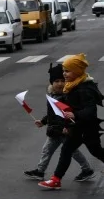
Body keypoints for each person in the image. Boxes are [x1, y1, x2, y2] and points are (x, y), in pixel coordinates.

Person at [39, 54, 104, 190]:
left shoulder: (85, 88)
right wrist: (66, 123)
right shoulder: (72, 86)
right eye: (64, 70)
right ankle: (56, 179)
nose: (64, 74)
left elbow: (90, 111)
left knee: (95, 150)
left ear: (77, 71)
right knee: (66, 150)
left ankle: (57, 179)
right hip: (77, 127)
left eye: (67, 71)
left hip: (87, 127)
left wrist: (74, 114)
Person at [25, 63, 95, 182]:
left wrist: (68, 127)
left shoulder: (68, 96)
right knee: (46, 151)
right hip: (54, 131)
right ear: (52, 83)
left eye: (62, 81)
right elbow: (52, 114)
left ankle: (87, 169)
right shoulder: (53, 95)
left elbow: (70, 114)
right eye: (56, 81)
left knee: (73, 152)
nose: (60, 84)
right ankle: (40, 171)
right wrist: (43, 121)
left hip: (64, 131)